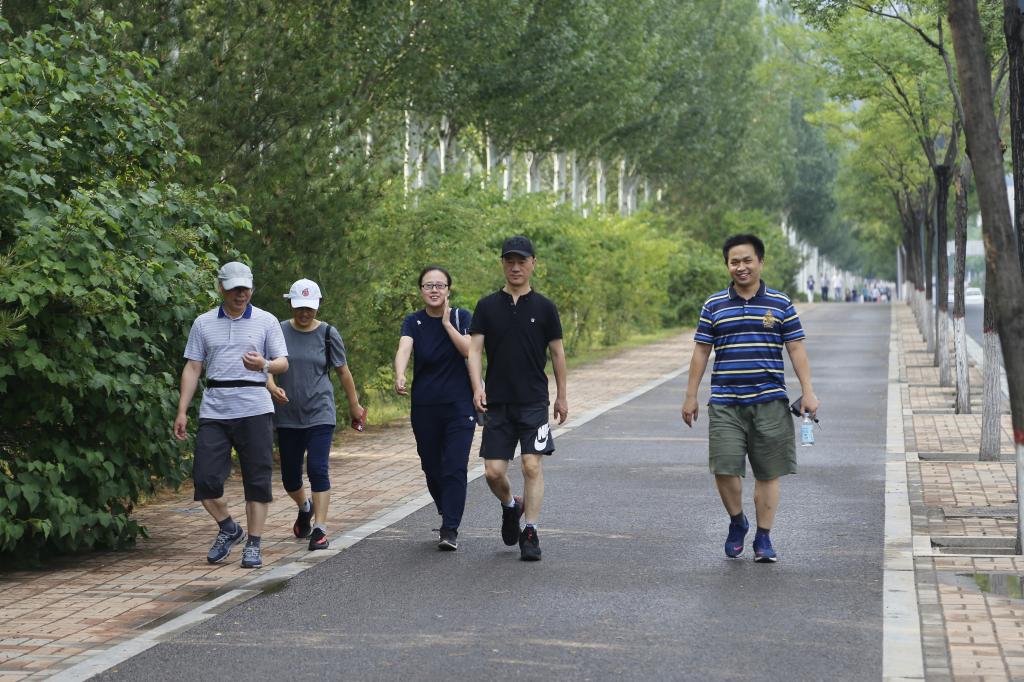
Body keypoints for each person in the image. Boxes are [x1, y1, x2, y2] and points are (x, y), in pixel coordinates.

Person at [681, 234, 818, 563]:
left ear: (760, 262)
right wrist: (690, 396)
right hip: (725, 402)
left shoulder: (780, 303)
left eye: (747, 260)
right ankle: (737, 521)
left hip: (770, 401)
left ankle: (764, 537)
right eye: (734, 262)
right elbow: (701, 351)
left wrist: (808, 391)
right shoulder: (714, 305)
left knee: (768, 472)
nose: (741, 267)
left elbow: (795, 348)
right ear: (727, 265)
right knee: (724, 467)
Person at [174, 262, 289, 569]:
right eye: (235, 289)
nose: (241, 295)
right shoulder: (203, 323)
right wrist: (182, 410)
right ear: (221, 288)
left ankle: (254, 543)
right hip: (215, 409)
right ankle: (228, 528)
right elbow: (193, 367)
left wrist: (264, 365)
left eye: (245, 289)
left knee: (257, 480)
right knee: (205, 479)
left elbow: (282, 362)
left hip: (255, 408)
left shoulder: (266, 320)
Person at [468, 236, 568, 562]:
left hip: (534, 401)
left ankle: (531, 532)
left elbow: (557, 353)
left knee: (531, 465)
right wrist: (477, 386)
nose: (515, 267)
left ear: (533, 264)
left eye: (521, 261)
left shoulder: (545, 307)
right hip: (497, 402)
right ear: (502, 264)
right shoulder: (487, 306)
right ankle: (511, 506)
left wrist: (562, 396)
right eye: (509, 261)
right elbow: (474, 351)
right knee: (493, 472)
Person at [267, 278, 366, 551]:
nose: (304, 312)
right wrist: (272, 387)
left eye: (309, 307)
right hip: (288, 415)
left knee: (317, 468)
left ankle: (320, 528)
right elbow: (267, 368)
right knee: (290, 478)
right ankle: (305, 507)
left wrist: (354, 405)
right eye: (299, 307)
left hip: (320, 412)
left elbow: (343, 371)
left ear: (318, 305)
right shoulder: (278, 331)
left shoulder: (328, 333)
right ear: (290, 304)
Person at [394, 266, 476, 551]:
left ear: (448, 290)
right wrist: (400, 373)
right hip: (425, 405)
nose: (434, 290)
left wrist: (447, 325)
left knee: (455, 465)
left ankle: (450, 528)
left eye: (440, 285)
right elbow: (404, 348)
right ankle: (446, 506)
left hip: (459, 405)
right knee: (431, 466)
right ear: (421, 290)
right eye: (428, 285)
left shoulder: (462, 317)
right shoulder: (413, 321)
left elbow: (469, 350)